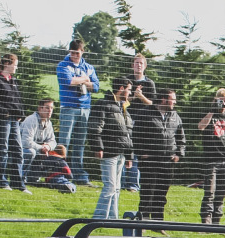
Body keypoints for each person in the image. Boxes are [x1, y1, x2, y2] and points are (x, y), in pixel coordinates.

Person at [133, 88, 184, 222]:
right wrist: (141, 153)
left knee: (161, 194)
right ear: (163, 99)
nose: (175, 102)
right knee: (147, 192)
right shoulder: (145, 114)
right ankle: (143, 221)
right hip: (150, 161)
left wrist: (179, 154)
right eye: (173, 99)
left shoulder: (175, 116)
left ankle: (158, 222)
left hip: (168, 161)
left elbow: (181, 138)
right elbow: (136, 136)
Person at [87, 76, 133, 219]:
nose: (130, 93)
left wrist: (129, 155)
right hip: (109, 151)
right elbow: (95, 128)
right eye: (129, 90)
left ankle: (113, 218)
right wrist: (97, 147)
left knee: (117, 188)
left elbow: (128, 133)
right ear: (121, 89)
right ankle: (99, 218)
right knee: (110, 186)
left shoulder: (123, 107)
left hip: (121, 153)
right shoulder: (103, 104)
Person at [55, 39, 100, 185]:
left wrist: (82, 80)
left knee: (79, 143)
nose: (75, 56)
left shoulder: (88, 67)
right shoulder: (63, 65)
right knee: (64, 142)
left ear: (82, 52)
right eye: (72, 53)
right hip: (68, 107)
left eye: (77, 53)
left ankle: (79, 175)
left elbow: (96, 86)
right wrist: (85, 79)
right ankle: (61, 172)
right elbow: (68, 81)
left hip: (85, 108)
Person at [0, 53, 28, 193]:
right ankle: (1, 181)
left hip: (14, 120)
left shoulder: (12, 80)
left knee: (17, 149)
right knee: (2, 149)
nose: (16, 67)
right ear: (7, 64)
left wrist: (20, 114)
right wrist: (6, 112)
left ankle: (17, 182)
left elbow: (17, 99)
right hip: (2, 119)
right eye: (15, 64)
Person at [197, 88, 225, 224]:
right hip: (211, 159)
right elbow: (201, 126)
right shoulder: (209, 114)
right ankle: (206, 220)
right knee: (210, 191)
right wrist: (212, 111)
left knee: (221, 193)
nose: (223, 104)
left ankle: (216, 221)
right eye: (221, 101)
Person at [119, 54, 155, 193]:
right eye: (136, 63)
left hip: (143, 121)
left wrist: (141, 96)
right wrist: (134, 96)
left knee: (137, 152)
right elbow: (122, 99)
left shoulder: (149, 83)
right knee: (125, 150)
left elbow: (152, 103)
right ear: (132, 65)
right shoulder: (127, 81)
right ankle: (121, 182)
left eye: (141, 63)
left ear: (145, 66)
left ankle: (133, 184)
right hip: (126, 119)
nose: (138, 65)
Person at [20, 98, 57, 183]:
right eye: (47, 108)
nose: (50, 110)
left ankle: (35, 178)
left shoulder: (49, 123)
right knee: (31, 152)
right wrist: (41, 148)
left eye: (51, 108)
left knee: (54, 154)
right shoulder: (31, 120)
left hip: (38, 151)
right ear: (40, 108)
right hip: (21, 150)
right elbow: (26, 142)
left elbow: (53, 141)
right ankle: (20, 177)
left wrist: (48, 147)